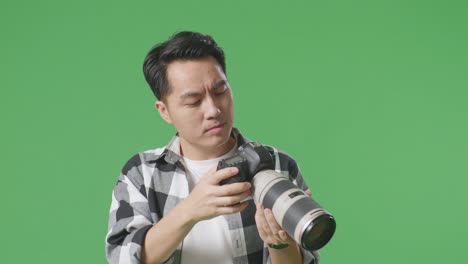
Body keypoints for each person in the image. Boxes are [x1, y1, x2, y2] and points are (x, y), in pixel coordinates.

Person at [105, 31, 320, 264]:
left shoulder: (277, 164)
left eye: (220, 92)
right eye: (193, 101)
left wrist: (280, 243)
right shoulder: (141, 174)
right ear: (164, 111)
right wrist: (189, 211)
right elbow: (123, 258)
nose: (213, 110)